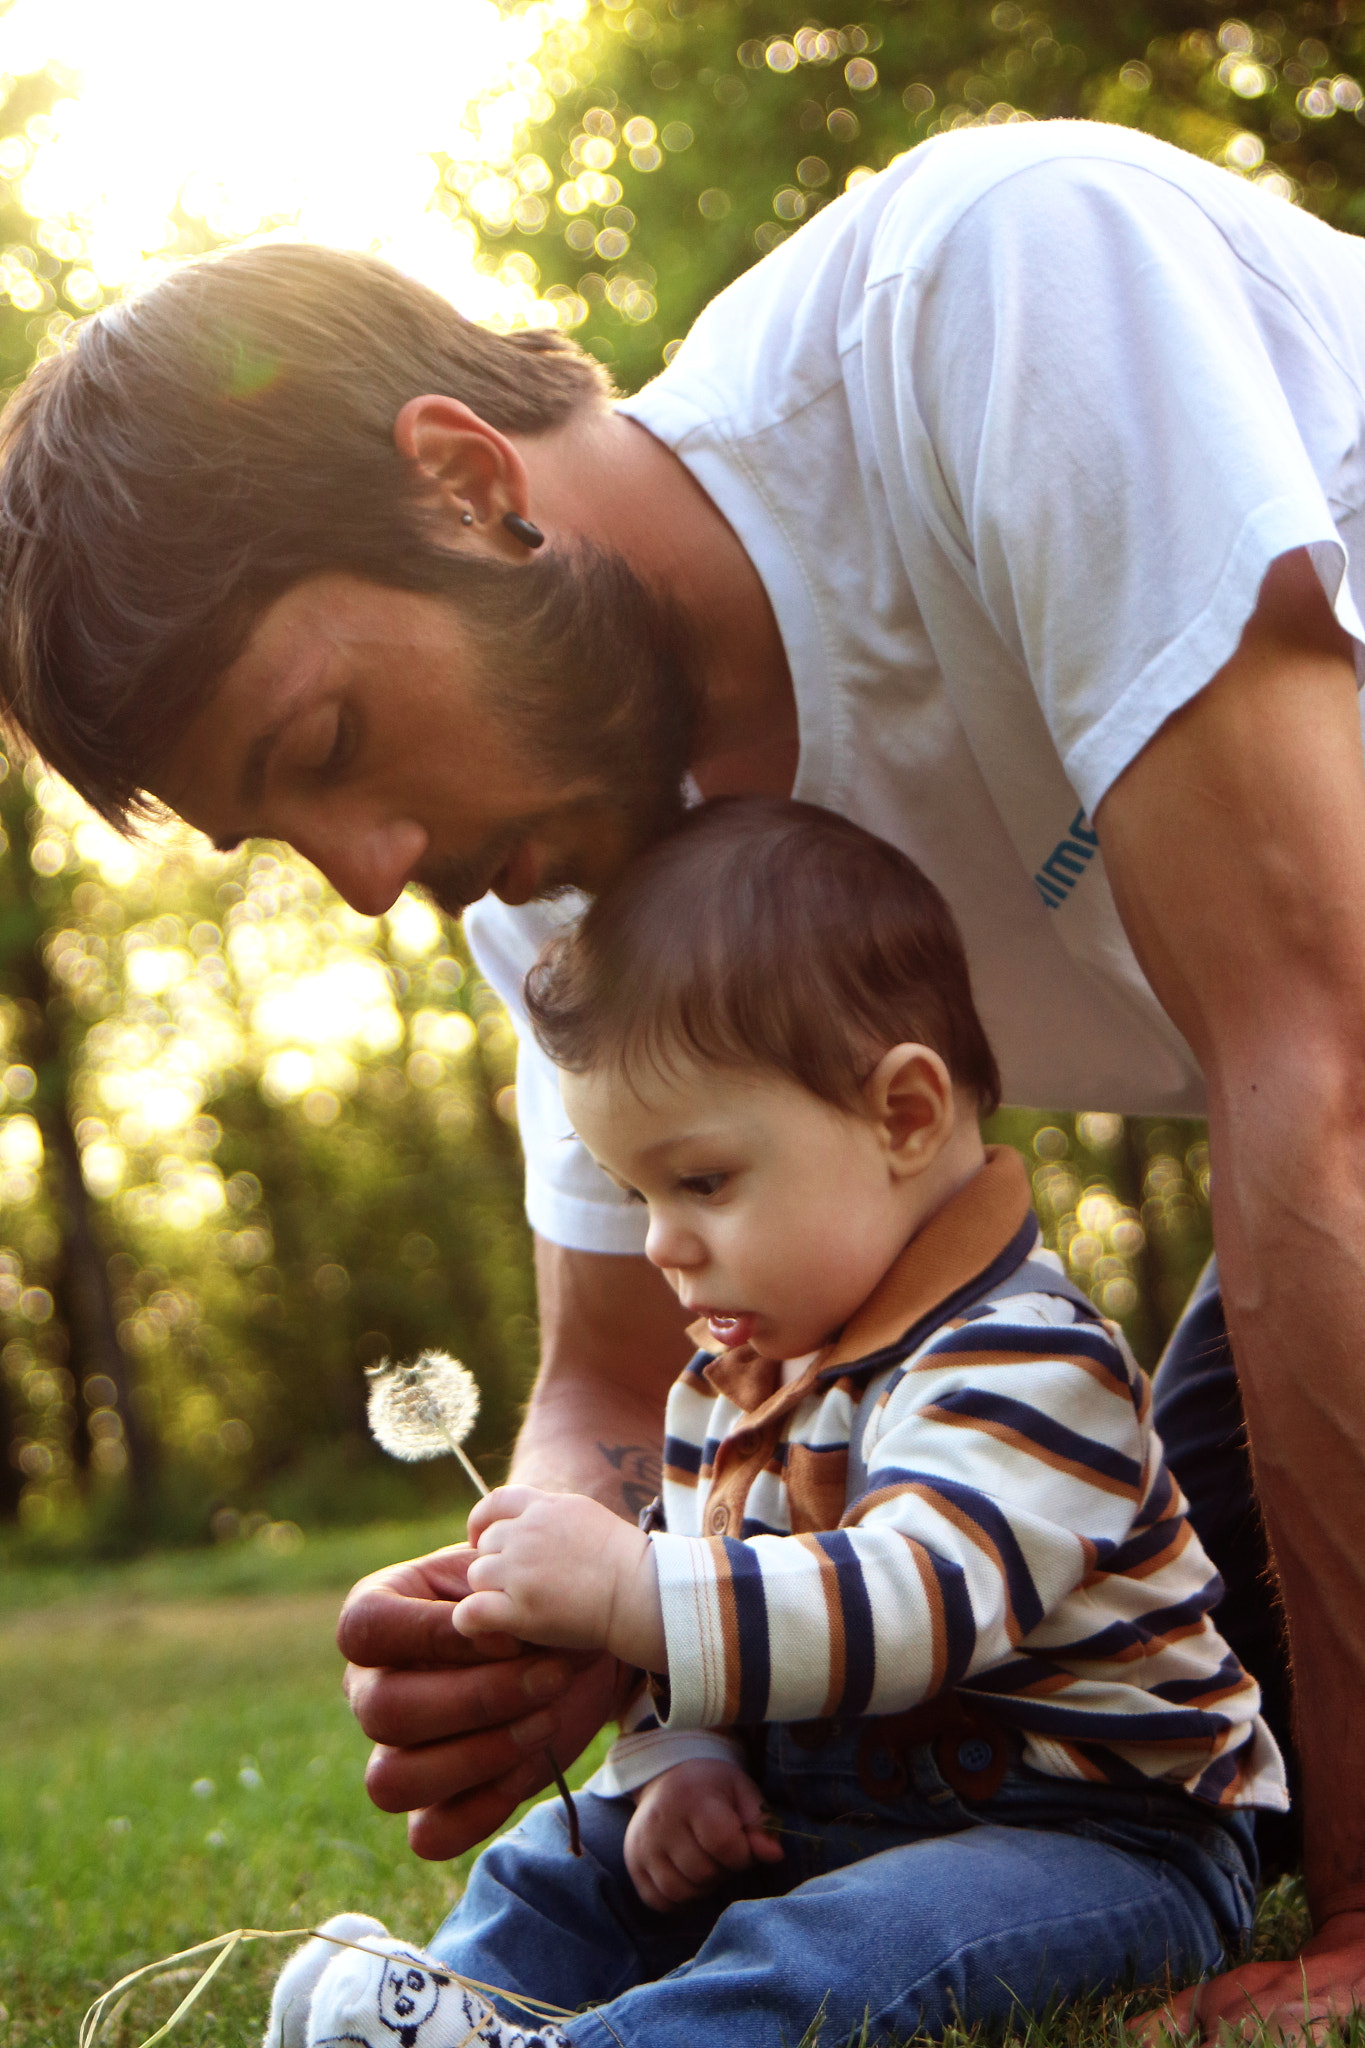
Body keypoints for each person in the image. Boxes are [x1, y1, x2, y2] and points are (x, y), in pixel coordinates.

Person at [0, 115, 1363, 2037]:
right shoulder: (553, 854)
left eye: (327, 740)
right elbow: (615, 1388)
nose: (375, 876)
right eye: (286, 838)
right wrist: (543, 1607)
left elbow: (1322, 1071)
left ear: (467, 484)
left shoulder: (997, 295)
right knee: (1106, 1671)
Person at [265, 799, 1285, 2048]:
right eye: (637, 1191)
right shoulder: (731, 1384)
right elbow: (711, 1587)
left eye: (700, 1180)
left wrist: (632, 1586)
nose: (660, 1242)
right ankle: (459, 1995)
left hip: (1104, 1843)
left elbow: (911, 1603)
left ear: (903, 1116)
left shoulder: (1029, 1357)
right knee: (569, 1849)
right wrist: (680, 1756)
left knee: (846, 1945)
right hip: (828, 1821)